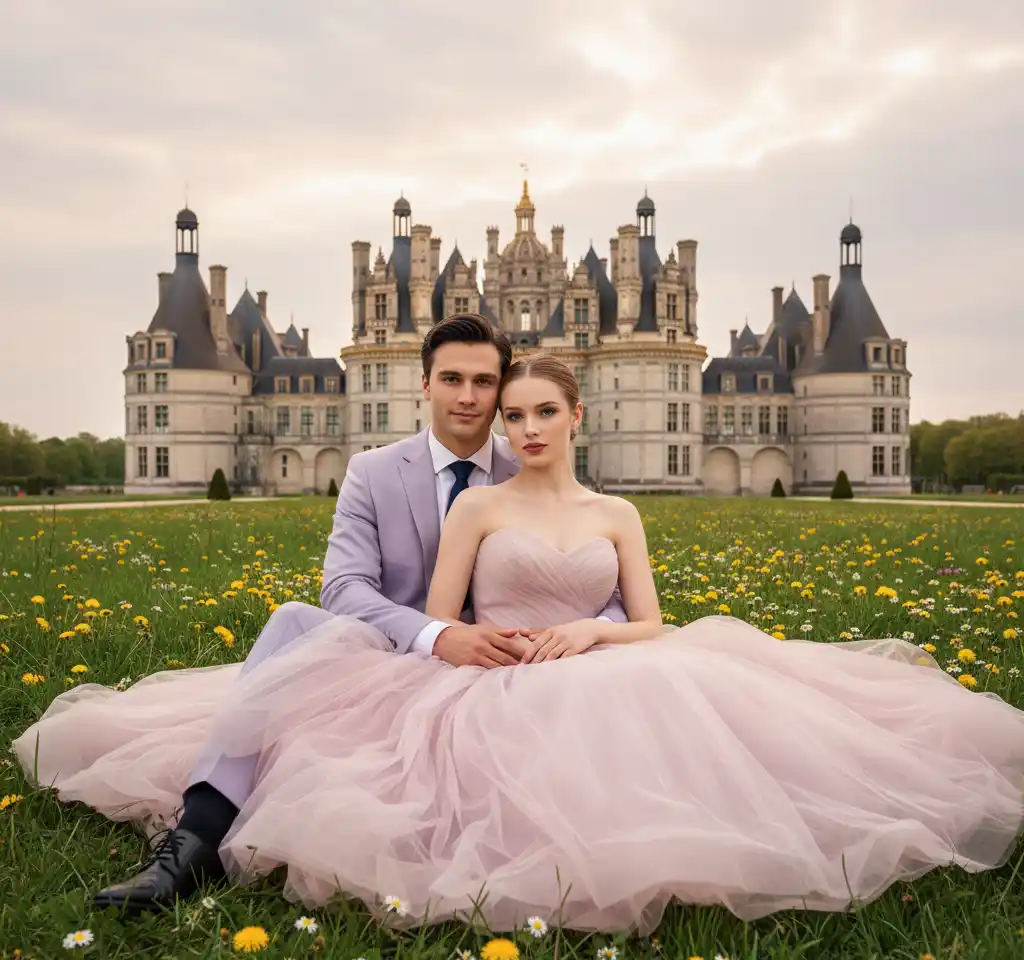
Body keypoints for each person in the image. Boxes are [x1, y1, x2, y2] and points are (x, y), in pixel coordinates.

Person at [14, 356, 1024, 933]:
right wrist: (454, 642)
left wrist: (593, 630)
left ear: (577, 415)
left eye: (543, 410)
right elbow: (438, 617)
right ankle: (198, 836)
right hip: (487, 673)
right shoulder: (477, 503)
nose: (526, 426)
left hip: (598, 664)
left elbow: (649, 619)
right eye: (511, 413)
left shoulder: (620, 511)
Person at [12, 314, 628, 917]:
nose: (467, 396)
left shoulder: (533, 458)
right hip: (391, 655)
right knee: (292, 620)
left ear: (502, 392)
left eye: (484, 382)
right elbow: (345, 587)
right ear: (425, 384)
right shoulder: (374, 471)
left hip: (504, 671)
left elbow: (598, 575)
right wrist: (434, 635)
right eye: (451, 379)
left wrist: (587, 629)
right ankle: (198, 833)